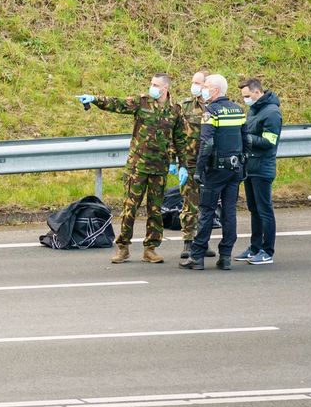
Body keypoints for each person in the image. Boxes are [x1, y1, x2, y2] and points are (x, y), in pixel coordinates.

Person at [78, 73, 192, 264]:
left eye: (156, 84)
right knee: (130, 208)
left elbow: (180, 139)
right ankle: (123, 247)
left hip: (160, 168)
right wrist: (95, 99)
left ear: (165, 88)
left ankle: (151, 248)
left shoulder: (175, 109)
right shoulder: (142, 102)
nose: (152, 87)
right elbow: (118, 104)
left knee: (155, 210)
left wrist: (182, 164)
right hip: (137, 167)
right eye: (151, 84)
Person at [181, 74, 247, 270]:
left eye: (207, 86)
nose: (204, 89)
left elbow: (207, 143)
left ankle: (197, 257)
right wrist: (244, 166)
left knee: (206, 211)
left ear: (216, 90)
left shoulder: (211, 111)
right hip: (235, 168)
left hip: (215, 169)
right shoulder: (238, 109)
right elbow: (245, 140)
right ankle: (225, 256)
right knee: (229, 213)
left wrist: (199, 169)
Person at [170, 70, 216, 260]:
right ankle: (188, 242)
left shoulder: (216, 107)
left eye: (198, 83)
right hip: (189, 163)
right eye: (193, 82)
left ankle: (202, 242)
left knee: (208, 205)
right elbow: (174, 135)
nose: (195, 86)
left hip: (211, 164)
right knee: (190, 204)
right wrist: (174, 160)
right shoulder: (184, 107)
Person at [236, 77, 282, 265]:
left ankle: (267, 250)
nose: (245, 99)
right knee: (253, 209)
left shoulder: (272, 113)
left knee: (264, 210)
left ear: (257, 92)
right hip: (250, 167)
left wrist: (246, 139)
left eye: (247, 96)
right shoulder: (253, 110)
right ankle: (254, 247)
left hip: (263, 168)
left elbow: (269, 142)